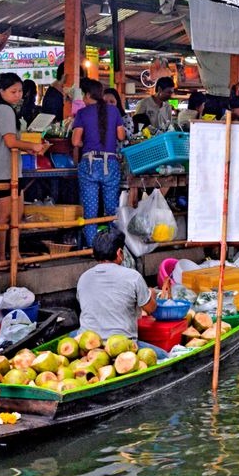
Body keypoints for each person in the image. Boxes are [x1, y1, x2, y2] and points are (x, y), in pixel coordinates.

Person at [0, 72, 49, 262]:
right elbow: (10, 141)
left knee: (14, 217)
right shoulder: (4, 110)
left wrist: (28, 149)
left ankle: (14, 256)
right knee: (4, 218)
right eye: (13, 91)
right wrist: (33, 146)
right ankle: (2, 258)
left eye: (20, 91)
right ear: (2, 91)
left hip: (7, 169)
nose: (18, 95)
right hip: (4, 171)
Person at [76, 229, 159, 347]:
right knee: (163, 355)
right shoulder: (133, 277)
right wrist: (152, 294)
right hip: (120, 347)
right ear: (119, 253)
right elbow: (151, 309)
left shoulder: (83, 278)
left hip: (87, 345)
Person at [72, 78, 126, 247]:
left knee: (90, 211)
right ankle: (112, 246)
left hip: (89, 164)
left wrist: (85, 143)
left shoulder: (82, 114)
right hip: (110, 163)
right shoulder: (113, 111)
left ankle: (91, 247)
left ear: (88, 95)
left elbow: (75, 142)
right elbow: (121, 136)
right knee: (112, 209)